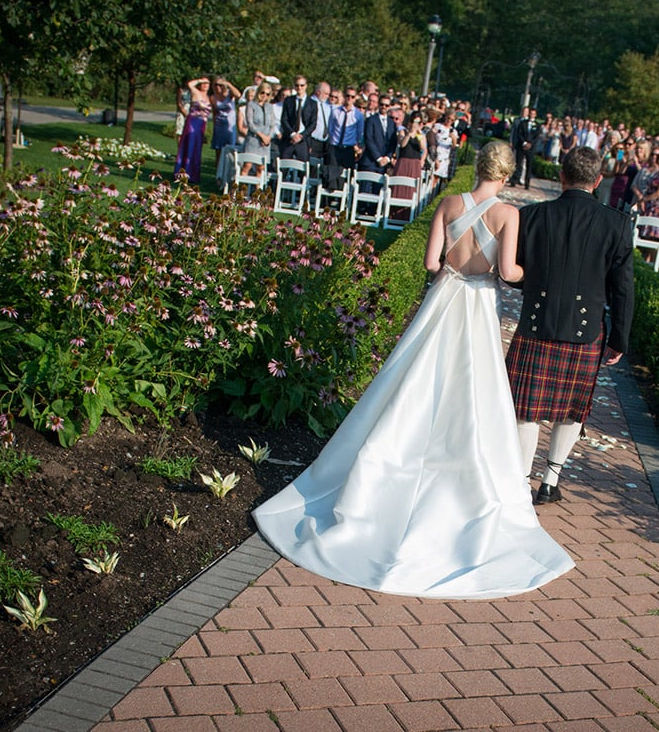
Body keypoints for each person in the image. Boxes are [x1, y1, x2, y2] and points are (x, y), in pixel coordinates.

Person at [252, 141, 574, 598]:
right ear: (507, 175)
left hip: (442, 297)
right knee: (473, 389)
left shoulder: (448, 202)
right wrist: (530, 271)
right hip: (477, 304)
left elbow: (429, 263)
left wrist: (455, 262)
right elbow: (506, 273)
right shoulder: (508, 215)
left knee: (413, 378)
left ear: (479, 167)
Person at [506, 146, 635, 505]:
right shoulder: (618, 224)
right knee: (572, 408)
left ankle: (519, 482)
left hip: (536, 324)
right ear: (598, 181)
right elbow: (622, 288)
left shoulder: (530, 215)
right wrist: (619, 339)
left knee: (525, 408)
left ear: (561, 176)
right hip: (586, 330)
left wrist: (535, 286)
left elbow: (515, 271)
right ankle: (549, 481)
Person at [174, 77, 211, 183]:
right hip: (192, 122)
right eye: (203, 83)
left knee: (197, 148)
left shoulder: (208, 97)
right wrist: (200, 80)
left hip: (201, 125)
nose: (205, 85)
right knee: (189, 146)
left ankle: (193, 174)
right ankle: (183, 172)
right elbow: (190, 84)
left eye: (207, 83)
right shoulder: (195, 92)